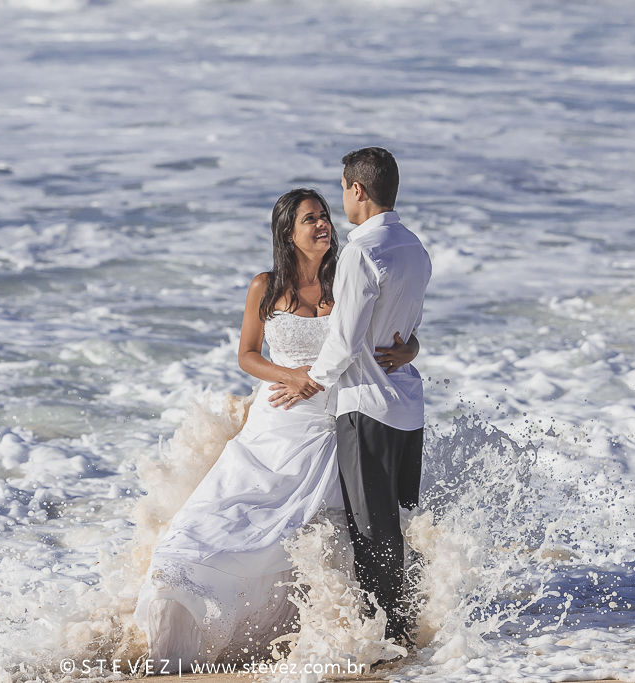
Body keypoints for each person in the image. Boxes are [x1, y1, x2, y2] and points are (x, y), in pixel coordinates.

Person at [133, 187, 420, 668]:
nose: (323, 224)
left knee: (304, 534)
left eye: (325, 215)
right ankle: (184, 616)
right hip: (276, 423)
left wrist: (410, 349)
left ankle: (328, 637)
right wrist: (290, 376)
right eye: (310, 219)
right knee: (217, 519)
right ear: (287, 232)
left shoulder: (346, 272)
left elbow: (397, 320)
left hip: (333, 424)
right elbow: (247, 355)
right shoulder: (265, 286)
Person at [276, 148, 431, 646]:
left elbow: (343, 340)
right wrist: (412, 348)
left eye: (342, 189)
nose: (341, 199)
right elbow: (407, 329)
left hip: (367, 405)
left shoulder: (362, 252)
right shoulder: (413, 247)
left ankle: (383, 641)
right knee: (398, 526)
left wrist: (313, 381)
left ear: (357, 190)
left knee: (371, 533)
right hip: (408, 408)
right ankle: (408, 629)